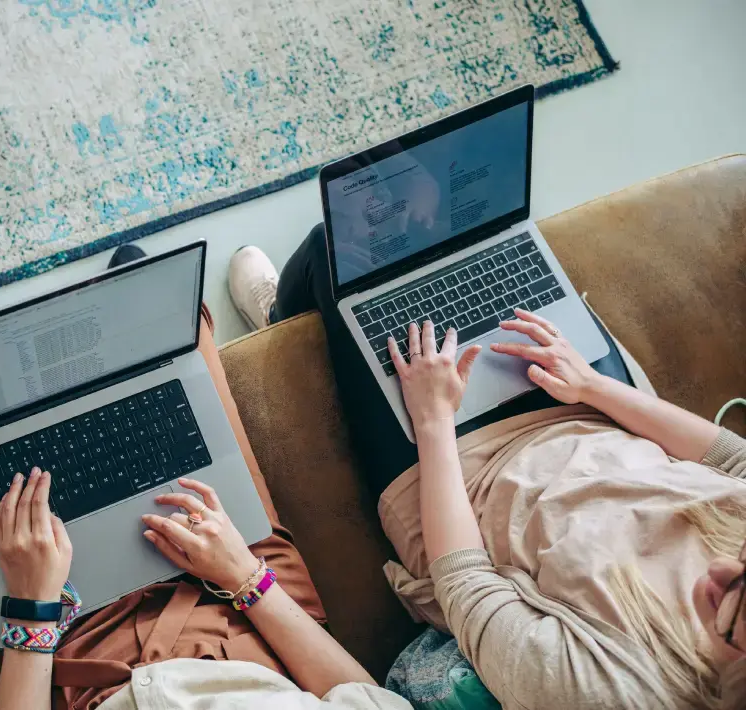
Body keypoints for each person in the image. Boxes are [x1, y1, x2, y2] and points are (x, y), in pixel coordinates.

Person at [227, 228, 746, 709]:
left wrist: (433, 419)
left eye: (727, 613)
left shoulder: (605, 691)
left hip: (464, 478)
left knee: (334, 251)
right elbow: (732, 459)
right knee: (493, 242)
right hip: (597, 414)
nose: (721, 568)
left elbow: (466, 586)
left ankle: (280, 316)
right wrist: (590, 385)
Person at [0, 244, 412, 710]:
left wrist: (32, 609)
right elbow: (358, 695)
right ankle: (126, 308)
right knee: (171, 331)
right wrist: (245, 575)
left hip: (69, 665)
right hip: (244, 622)